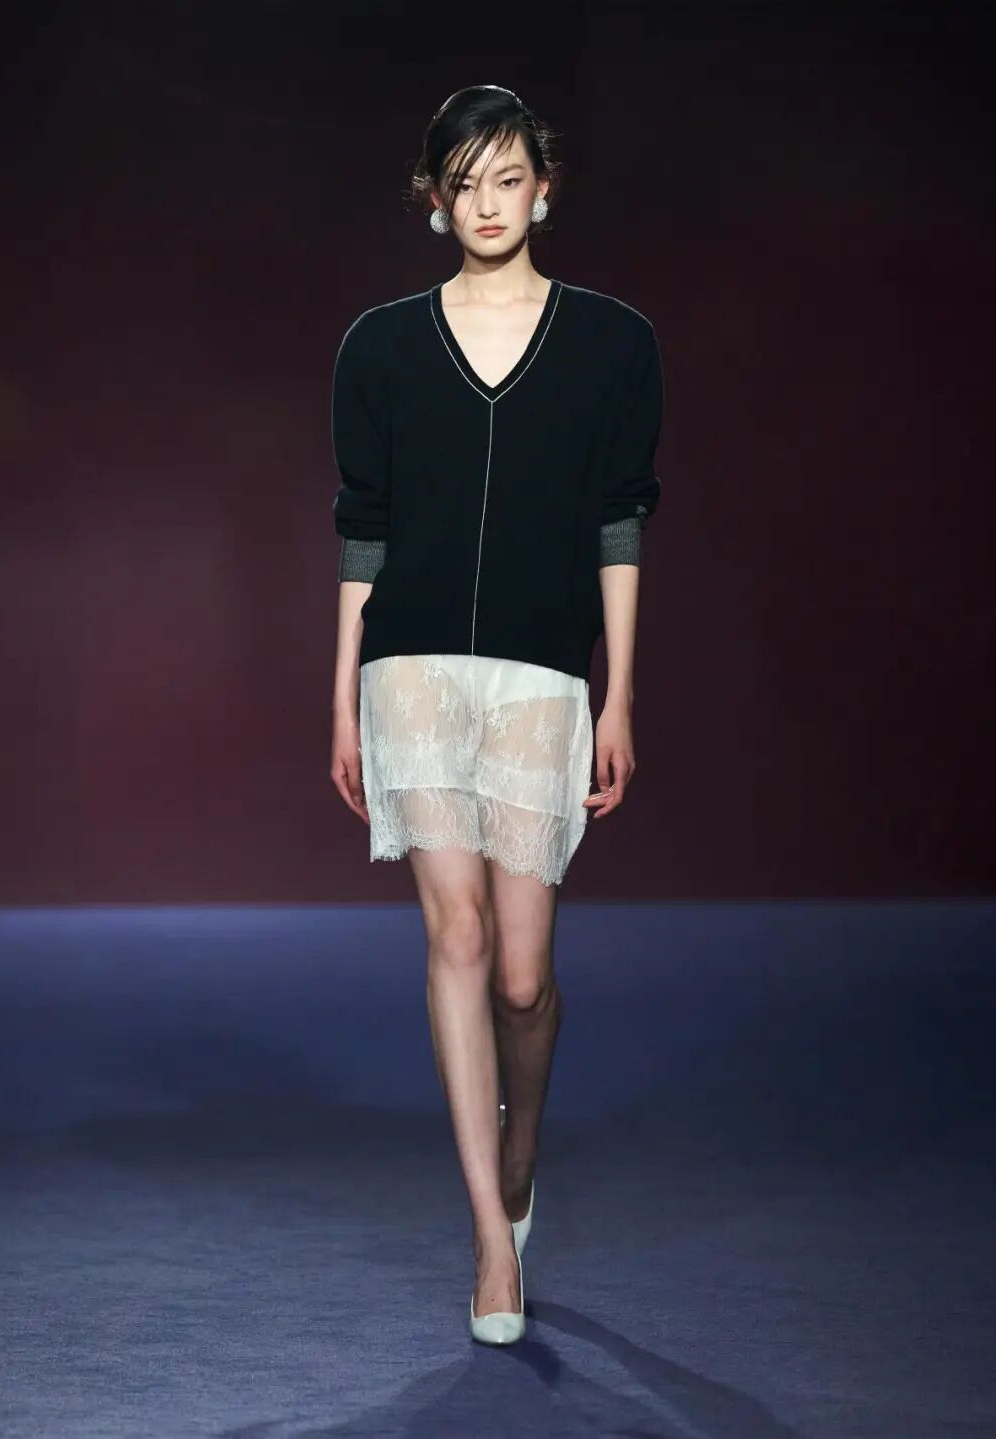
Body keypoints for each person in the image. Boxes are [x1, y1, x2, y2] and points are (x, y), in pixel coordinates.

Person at [328, 85, 663, 1345]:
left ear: (544, 187)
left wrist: (619, 689)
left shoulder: (613, 342)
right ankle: (488, 1236)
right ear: (434, 198)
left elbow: (618, 519)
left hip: (541, 670)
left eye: (508, 177)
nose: (486, 202)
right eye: (463, 181)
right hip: (410, 667)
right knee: (457, 934)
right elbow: (363, 530)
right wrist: (342, 695)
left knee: (525, 977)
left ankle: (522, 1160)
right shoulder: (379, 346)